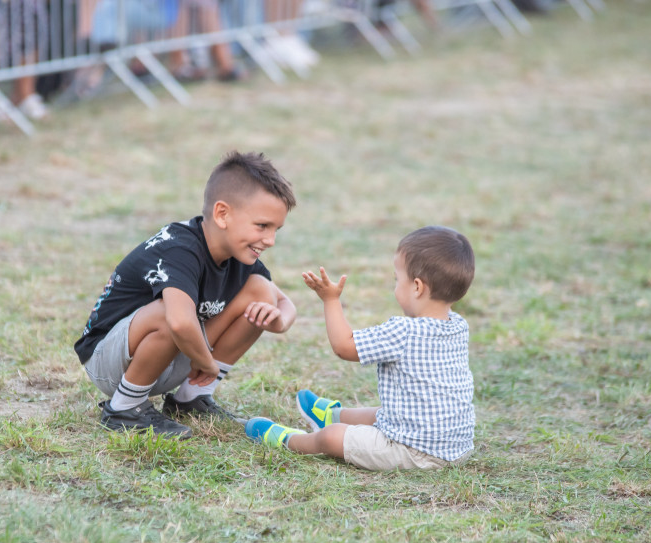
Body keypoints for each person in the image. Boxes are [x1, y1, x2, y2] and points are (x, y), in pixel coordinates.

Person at [74, 151, 298, 438]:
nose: (270, 240)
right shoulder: (179, 247)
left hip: (173, 357)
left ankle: (190, 399)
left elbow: (285, 303)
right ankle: (124, 409)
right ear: (222, 214)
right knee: (168, 313)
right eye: (262, 226)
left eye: (276, 229)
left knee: (260, 292)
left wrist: (277, 320)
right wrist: (206, 363)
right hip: (110, 362)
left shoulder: (239, 256)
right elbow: (179, 322)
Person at [246, 226, 476, 471]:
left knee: (332, 437)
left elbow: (344, 347)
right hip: (456, 448)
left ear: (417, 287)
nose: (395, 286)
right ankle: (331, 416)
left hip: (414, 452)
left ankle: (290, 440)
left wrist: (331, 300)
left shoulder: (404, 331)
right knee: (383, 412)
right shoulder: (458, 325)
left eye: (397, 280)